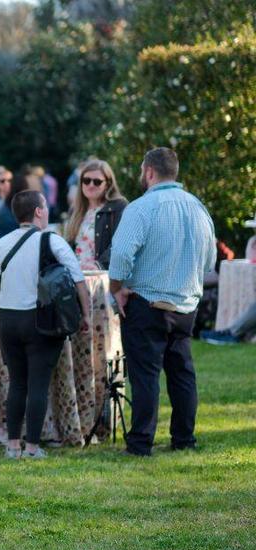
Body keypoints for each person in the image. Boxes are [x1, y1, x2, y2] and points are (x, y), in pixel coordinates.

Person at [109, 147, 216, 456]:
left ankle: (141, 442)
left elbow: (121, 254)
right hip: (186, 305)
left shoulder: (142, 207)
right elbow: (209, 260)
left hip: (147, 303)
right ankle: (184, 438)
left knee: (145, 376)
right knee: (183, 374)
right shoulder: (198, 208)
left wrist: (117, 287)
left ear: (150, 172)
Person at [0, 190, 91, 459]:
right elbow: (79, 282)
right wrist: (85, 316)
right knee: (38, 384)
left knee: (17, 383)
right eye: (45, 206)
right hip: (41, 321)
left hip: (8, 320)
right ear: (39, 211)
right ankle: (32, 447)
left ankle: (12, 445)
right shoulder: (52, 241)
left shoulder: (2, 244)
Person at [63, 159, 127, 270]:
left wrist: (99, 265)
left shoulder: (119, 206)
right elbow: (69, 245)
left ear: (108, 184)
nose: (91, 185)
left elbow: (121, 243)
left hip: (103, 277)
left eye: (97, 182)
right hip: (77, 277)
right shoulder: (75, 209)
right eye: (86, 180)